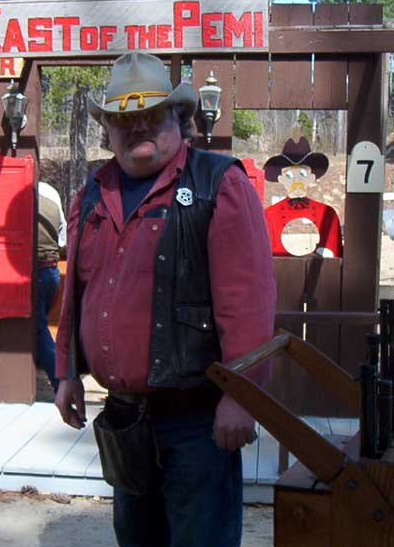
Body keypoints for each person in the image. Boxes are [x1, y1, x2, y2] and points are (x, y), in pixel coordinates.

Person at [53, 52, 276, 547]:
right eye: (123, 120)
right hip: (125, 416)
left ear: (179, 118)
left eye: (150, 116)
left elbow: (248, 302)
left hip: (198, 423)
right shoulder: (94, 189)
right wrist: (66, 370)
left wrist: (241, 396)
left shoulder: (220, 183)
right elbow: (77, 290)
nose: (137, 129)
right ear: (108, 128)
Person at [36, 180, 67, 393]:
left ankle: (61, 382)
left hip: (34, 271)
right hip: (52, 270)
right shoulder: (51, 197)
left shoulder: (19, 201)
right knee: (39, 328)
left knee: (38, 330)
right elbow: (63, 240)